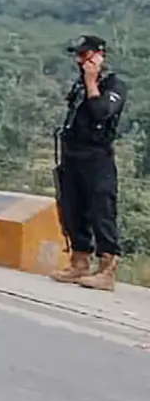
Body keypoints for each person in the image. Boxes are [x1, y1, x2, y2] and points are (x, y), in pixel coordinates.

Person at [49, 35, 127, 291]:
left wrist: (92, 82)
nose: (80, 61)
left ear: (99, 55)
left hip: (97, 156)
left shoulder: (114, 85)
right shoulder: (79, 85)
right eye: (78, 56)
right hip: (73, 155)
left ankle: (107, 269)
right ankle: (79, 262)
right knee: (73, 208)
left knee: (100, 209)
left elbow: (102, 112)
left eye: (85, 56)